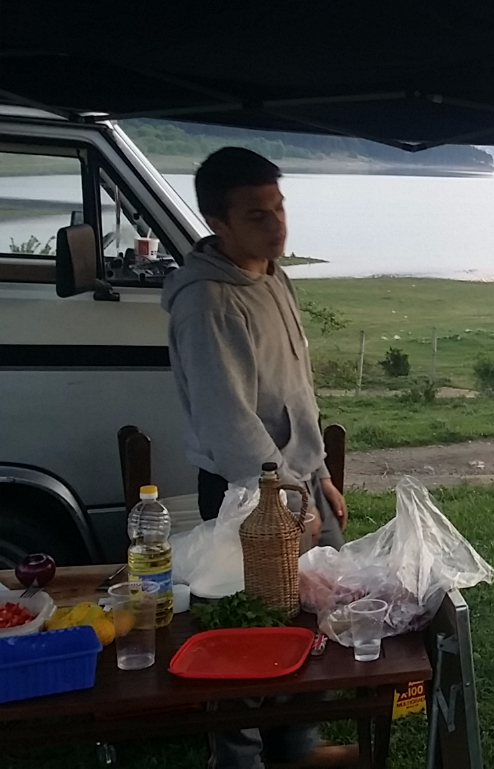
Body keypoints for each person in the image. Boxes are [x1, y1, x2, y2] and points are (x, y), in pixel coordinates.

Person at [162, 147, 354, 769]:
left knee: (315, 618)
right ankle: (239, 759)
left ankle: (296, 746)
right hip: (249, 495)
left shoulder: (273, 277)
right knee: (246, 629)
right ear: (217, 222)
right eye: (256, 215)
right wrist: (290, 501)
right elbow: (230, 425)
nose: (277, 226)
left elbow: (297, 393)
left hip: (299, 485)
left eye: (279, 208)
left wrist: (320, 475)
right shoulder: (208, 303)